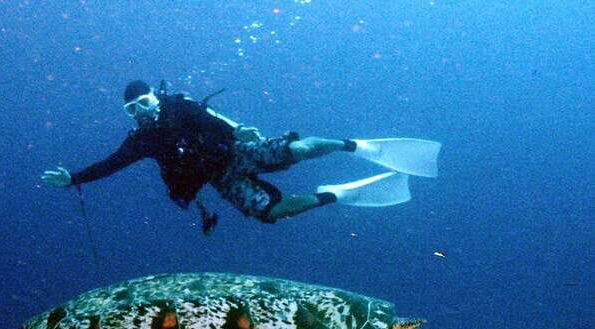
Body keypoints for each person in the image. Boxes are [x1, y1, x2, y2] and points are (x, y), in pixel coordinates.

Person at [42, 80, 440, 234]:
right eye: (133, 111)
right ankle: (335, 194)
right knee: (272, 213)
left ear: (155, 97)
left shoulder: (180, 107)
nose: (143, 113)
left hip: (238, 151)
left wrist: (240, 131)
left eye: (144, 103)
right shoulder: (140, 142)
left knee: (296, 149)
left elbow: (217, 119)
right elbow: (110, 165)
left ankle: (356, 146)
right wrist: (73, 178)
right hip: (222, 178)